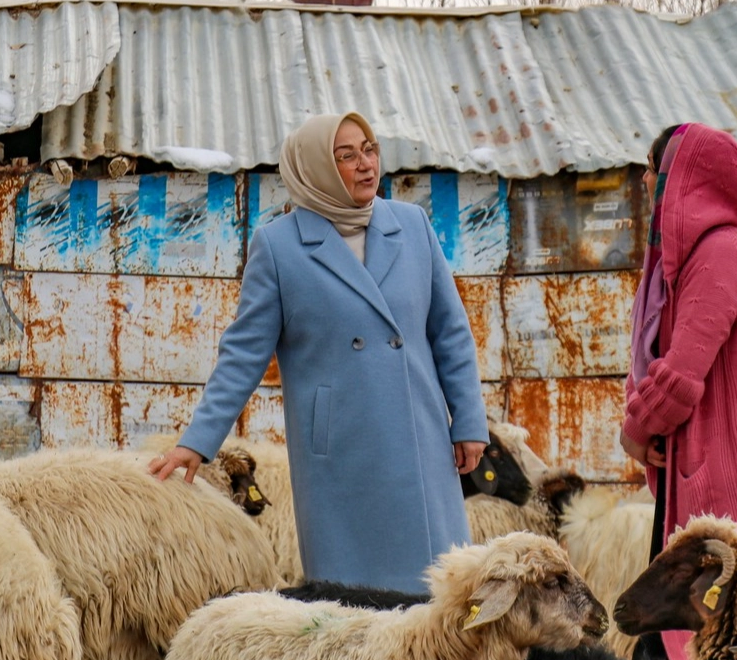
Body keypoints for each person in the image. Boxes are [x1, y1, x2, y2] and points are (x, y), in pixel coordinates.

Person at [149, 112, 489, 593]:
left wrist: (470, 422)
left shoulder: (412, 226)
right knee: (354, 609)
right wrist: (197, 442)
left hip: (421, 438)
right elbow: (244, 353)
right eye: (346, 156)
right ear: (315, 169)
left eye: (368, 149)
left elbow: (451, 332)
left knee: (435, 600)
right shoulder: (279, 247)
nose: (365, 164)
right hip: (340, 455)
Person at [620, 122, 737, 660]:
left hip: (725, 485)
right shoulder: (687, 255)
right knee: (676, 645)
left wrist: (636, 429)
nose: (646, 179)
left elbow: (681, 375)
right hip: (693, 477)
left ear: (681, 178)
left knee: (717, 650)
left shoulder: (720, 252)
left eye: (654, 168)